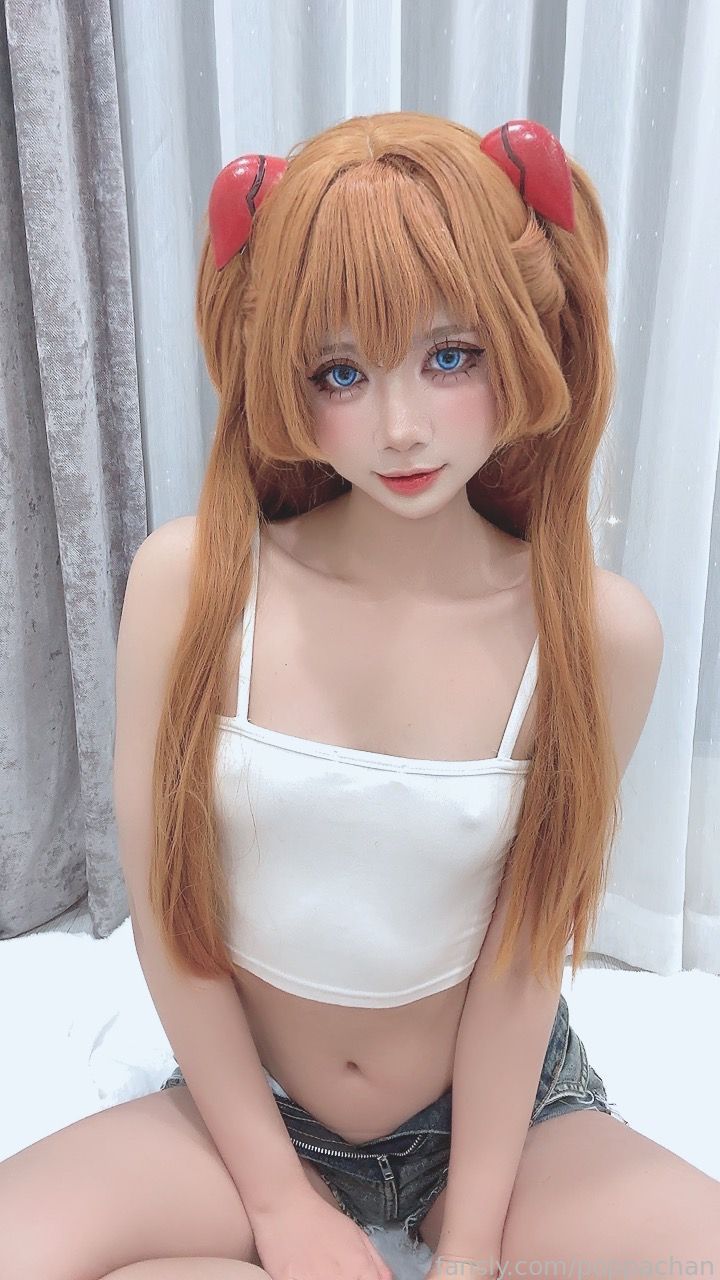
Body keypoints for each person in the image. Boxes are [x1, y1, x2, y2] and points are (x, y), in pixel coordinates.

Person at [1, 111, 718, 1280]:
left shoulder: (595, 632)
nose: (400, 426)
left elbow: (521, 958)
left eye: (452, 356)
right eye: (343, 371)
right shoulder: (190, 585)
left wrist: (472, 1242)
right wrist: (281, 1204)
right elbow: (169, 909)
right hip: (255, 1110)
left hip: (507, 1124)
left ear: (526, 340)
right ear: (287, 377)